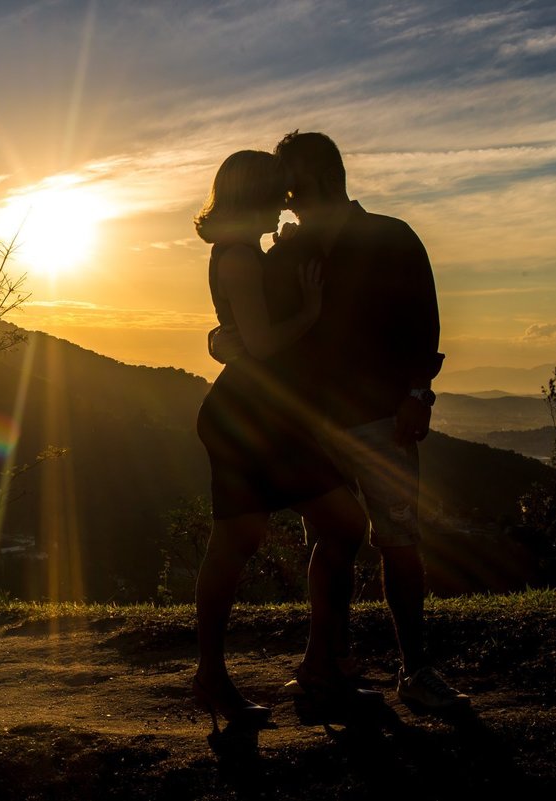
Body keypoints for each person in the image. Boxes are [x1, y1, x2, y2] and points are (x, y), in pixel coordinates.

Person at [268, 131, 470, 710]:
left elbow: (423, 322)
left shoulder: (391, 237)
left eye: (291, 182)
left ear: (320, 178)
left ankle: (415, 672)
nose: (285, 197)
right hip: (315, 427)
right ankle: (331, 665)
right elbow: (265, 332)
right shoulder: (289, 252)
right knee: (331, 545)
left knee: (399, 543)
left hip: (384, 419)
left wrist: (416, 394)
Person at [191, 150, 368, 730]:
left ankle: (301, 668)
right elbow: (265, 347)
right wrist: (311, 311)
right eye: (277, 195)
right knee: (247, 541)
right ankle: (220, 677)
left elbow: (242, 336)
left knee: (264, 538)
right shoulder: (239, 256)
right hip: (249, 418)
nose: (284, 203)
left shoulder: (243, 251)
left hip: (261, 415)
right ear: (255, 196)